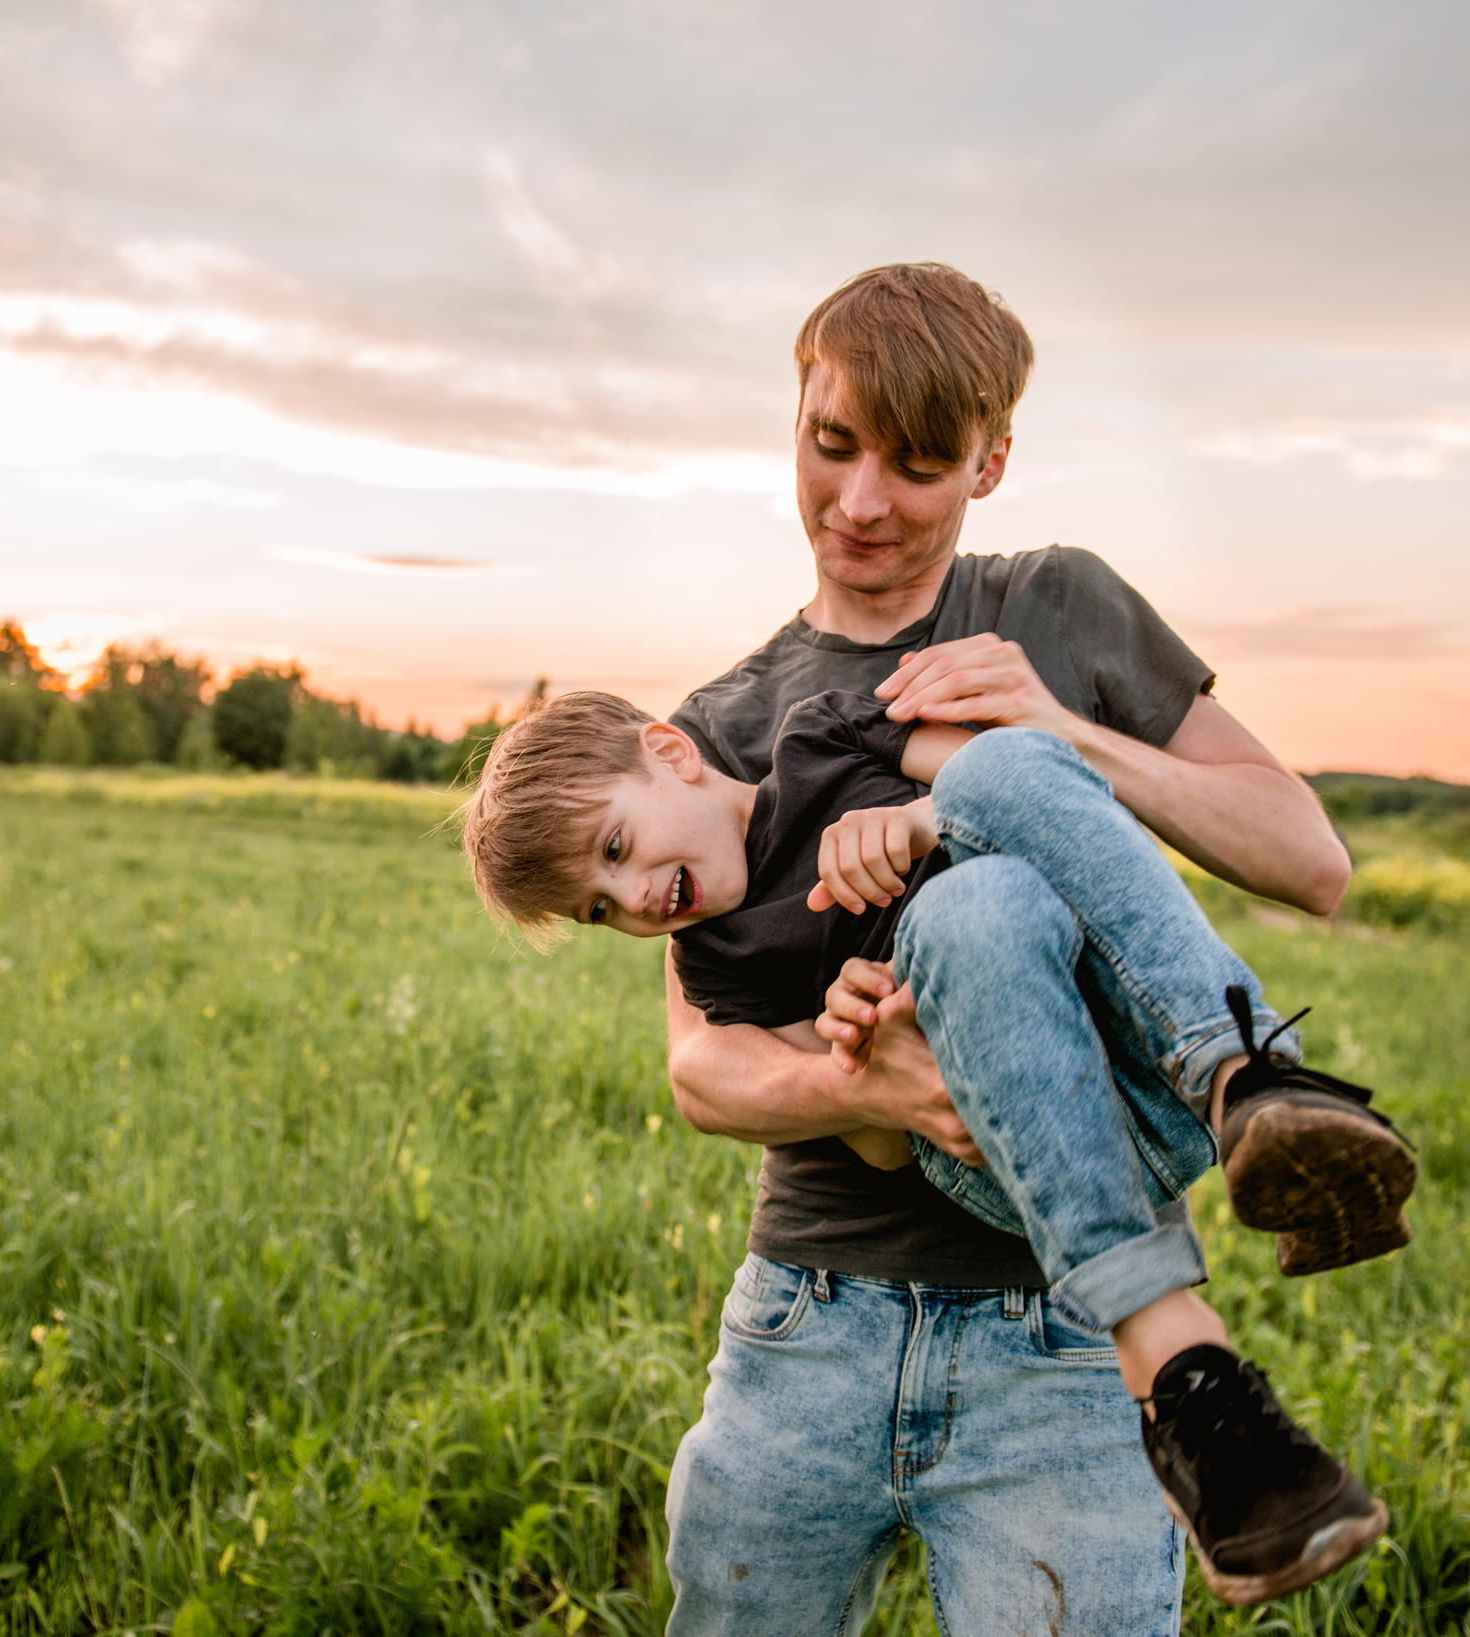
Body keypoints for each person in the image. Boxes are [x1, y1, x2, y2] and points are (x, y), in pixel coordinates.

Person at [564, 261, 1375, 1630]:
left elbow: (1311, 858)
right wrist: (866, 1083)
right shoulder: (712, 733)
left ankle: (1246, 1089)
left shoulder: (1058, 603)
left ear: (991, 462)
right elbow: (701, 1062)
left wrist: (1062, 733)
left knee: (977, 894)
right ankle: (1187, 1354)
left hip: (1055, 1336)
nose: (861, 499)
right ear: (796, 419)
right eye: (832, 444)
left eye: (919, 463)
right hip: (812, 1311)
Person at [461, 678, 1414, 1607]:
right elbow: (881, 1145)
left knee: (1002, 774)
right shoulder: (722, 965)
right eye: (600, 908)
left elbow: (1034, 791)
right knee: (969, 911)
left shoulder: (821, 737)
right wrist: (861, 1046)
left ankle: (1251, 1077)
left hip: (1146, 1064)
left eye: (616, 847)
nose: (634, 898)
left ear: (671, 753)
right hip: (1004, 1160)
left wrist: (918, 823)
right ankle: (1179, 1364)